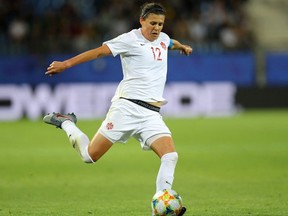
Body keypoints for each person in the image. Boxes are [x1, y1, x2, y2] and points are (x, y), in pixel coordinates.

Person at [43, 2, 192, 215]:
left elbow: (171, 43)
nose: (157, 28)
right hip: (126, 109)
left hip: (151, 114)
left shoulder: (163, 39)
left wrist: (182, 46)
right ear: (142, 20)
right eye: (152, 23)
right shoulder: (129, 40)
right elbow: (97, 53)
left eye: (160, 24)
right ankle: (66, 121)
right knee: (89, 156)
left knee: (170, 156)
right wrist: (65, 65)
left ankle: (161, 205)